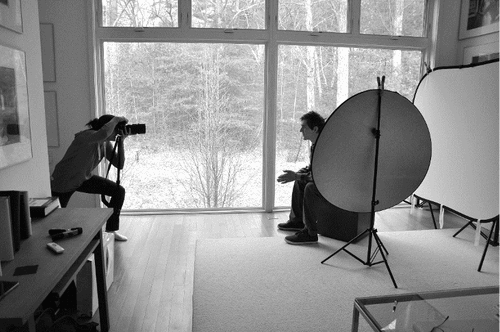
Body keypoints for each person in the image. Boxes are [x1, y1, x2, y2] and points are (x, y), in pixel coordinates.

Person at [51, 114, 131, 241]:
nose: (117, 132)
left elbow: (119, 164)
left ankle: (111, 230)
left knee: (118, 191)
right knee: (55, 219)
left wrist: (121, 142)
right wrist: (116, 119)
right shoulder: (87, 136)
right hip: (64, 180)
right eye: (116, 128)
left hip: (83, 178)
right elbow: (103, 134)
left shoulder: (105, 144)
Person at [277, 111, 336, 245]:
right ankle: (297, 221)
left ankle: (310, 233)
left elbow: (322, 176)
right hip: (324, 179)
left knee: (310, 187)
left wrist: (297, 176)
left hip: (334, 184)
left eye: (303, 127)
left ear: (315, 129)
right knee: (300, 180)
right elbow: (315, 169)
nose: (300, 130)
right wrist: (302, 172)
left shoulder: (326, 147)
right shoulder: (316, 144)